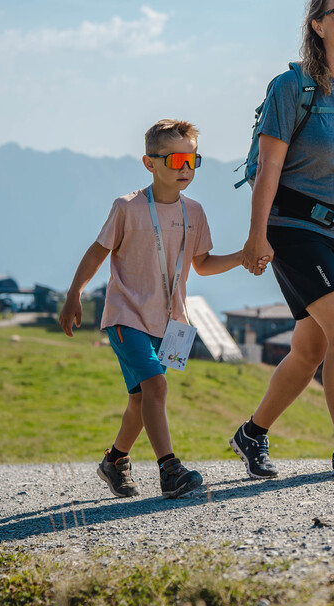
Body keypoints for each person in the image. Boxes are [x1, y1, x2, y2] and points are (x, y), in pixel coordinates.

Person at [230, 0, 334, 479]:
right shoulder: (292, 87)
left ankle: (251, 433)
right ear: (318, 25)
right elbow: (270, 168)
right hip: (295, 226)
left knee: (311, 347)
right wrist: (256, 236)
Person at [59, 119, 246, 499]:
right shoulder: (126, 207)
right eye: (176, 159)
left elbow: (203, 263)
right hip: (126, 316)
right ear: (150, 163)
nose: (185, 168)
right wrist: (74, 293)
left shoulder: (195, 212)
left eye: (193, 160)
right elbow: (99, 251)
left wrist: (244, 256)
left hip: (171, 323)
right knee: (156, 387)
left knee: (141, 399)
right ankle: (170, 470)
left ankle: (114, 461)